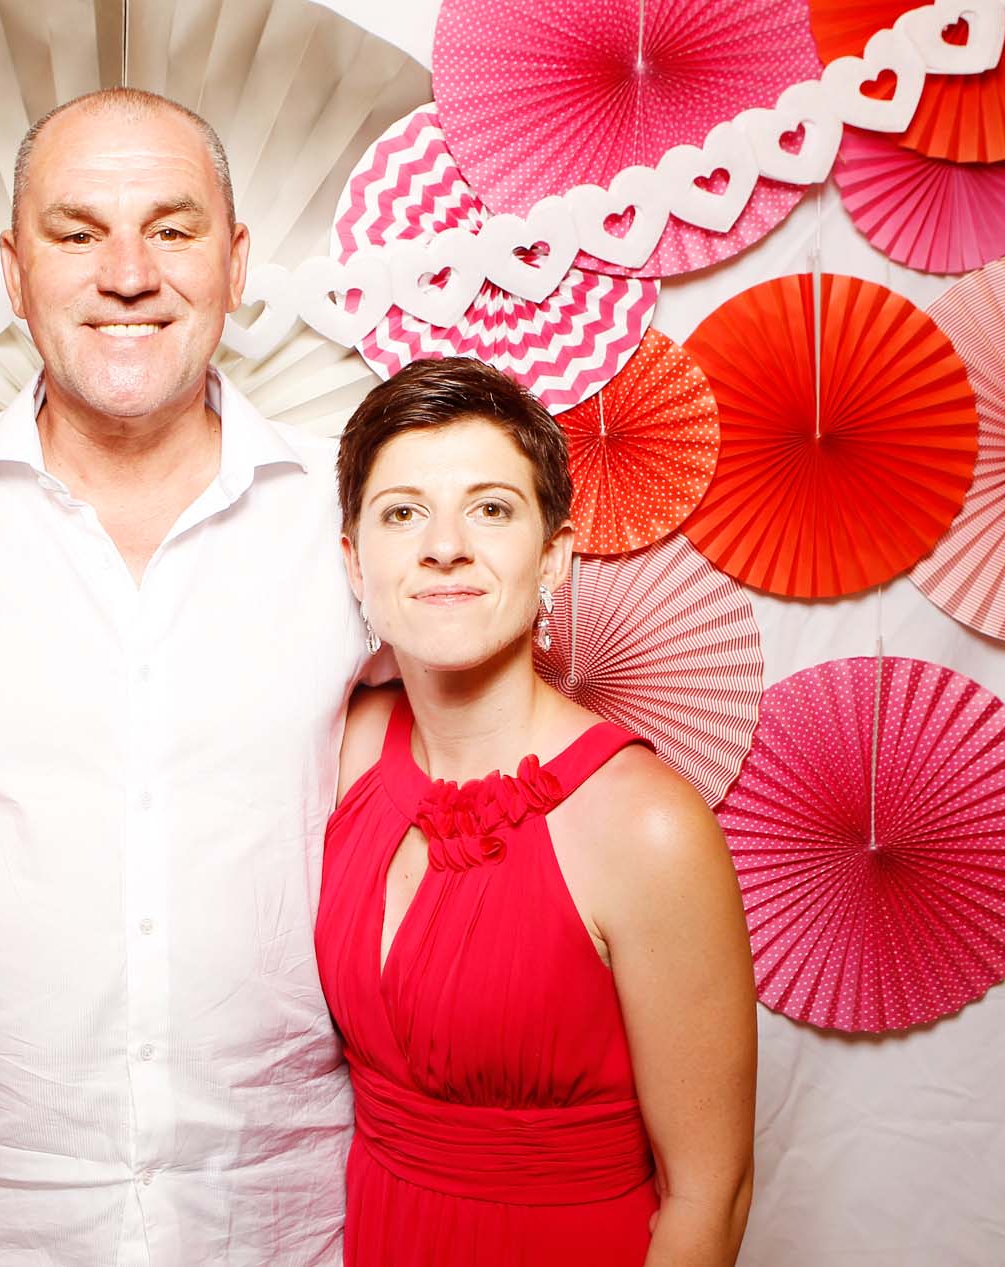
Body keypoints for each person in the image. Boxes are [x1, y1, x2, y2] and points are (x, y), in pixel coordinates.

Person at [0, 89, 371, 1264]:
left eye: (172, 229)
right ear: (12, 269)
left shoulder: (351, 518)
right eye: (77, 231)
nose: (128, 274)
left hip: (280, 1209)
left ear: (236, 261)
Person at [316, 356, 758, 1267]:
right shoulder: (346, 750)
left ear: (553, 554)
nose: (444, 546)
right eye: (403, 513)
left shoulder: (645, 825)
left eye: (490, 508)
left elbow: (709, 1195)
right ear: (356, 561)